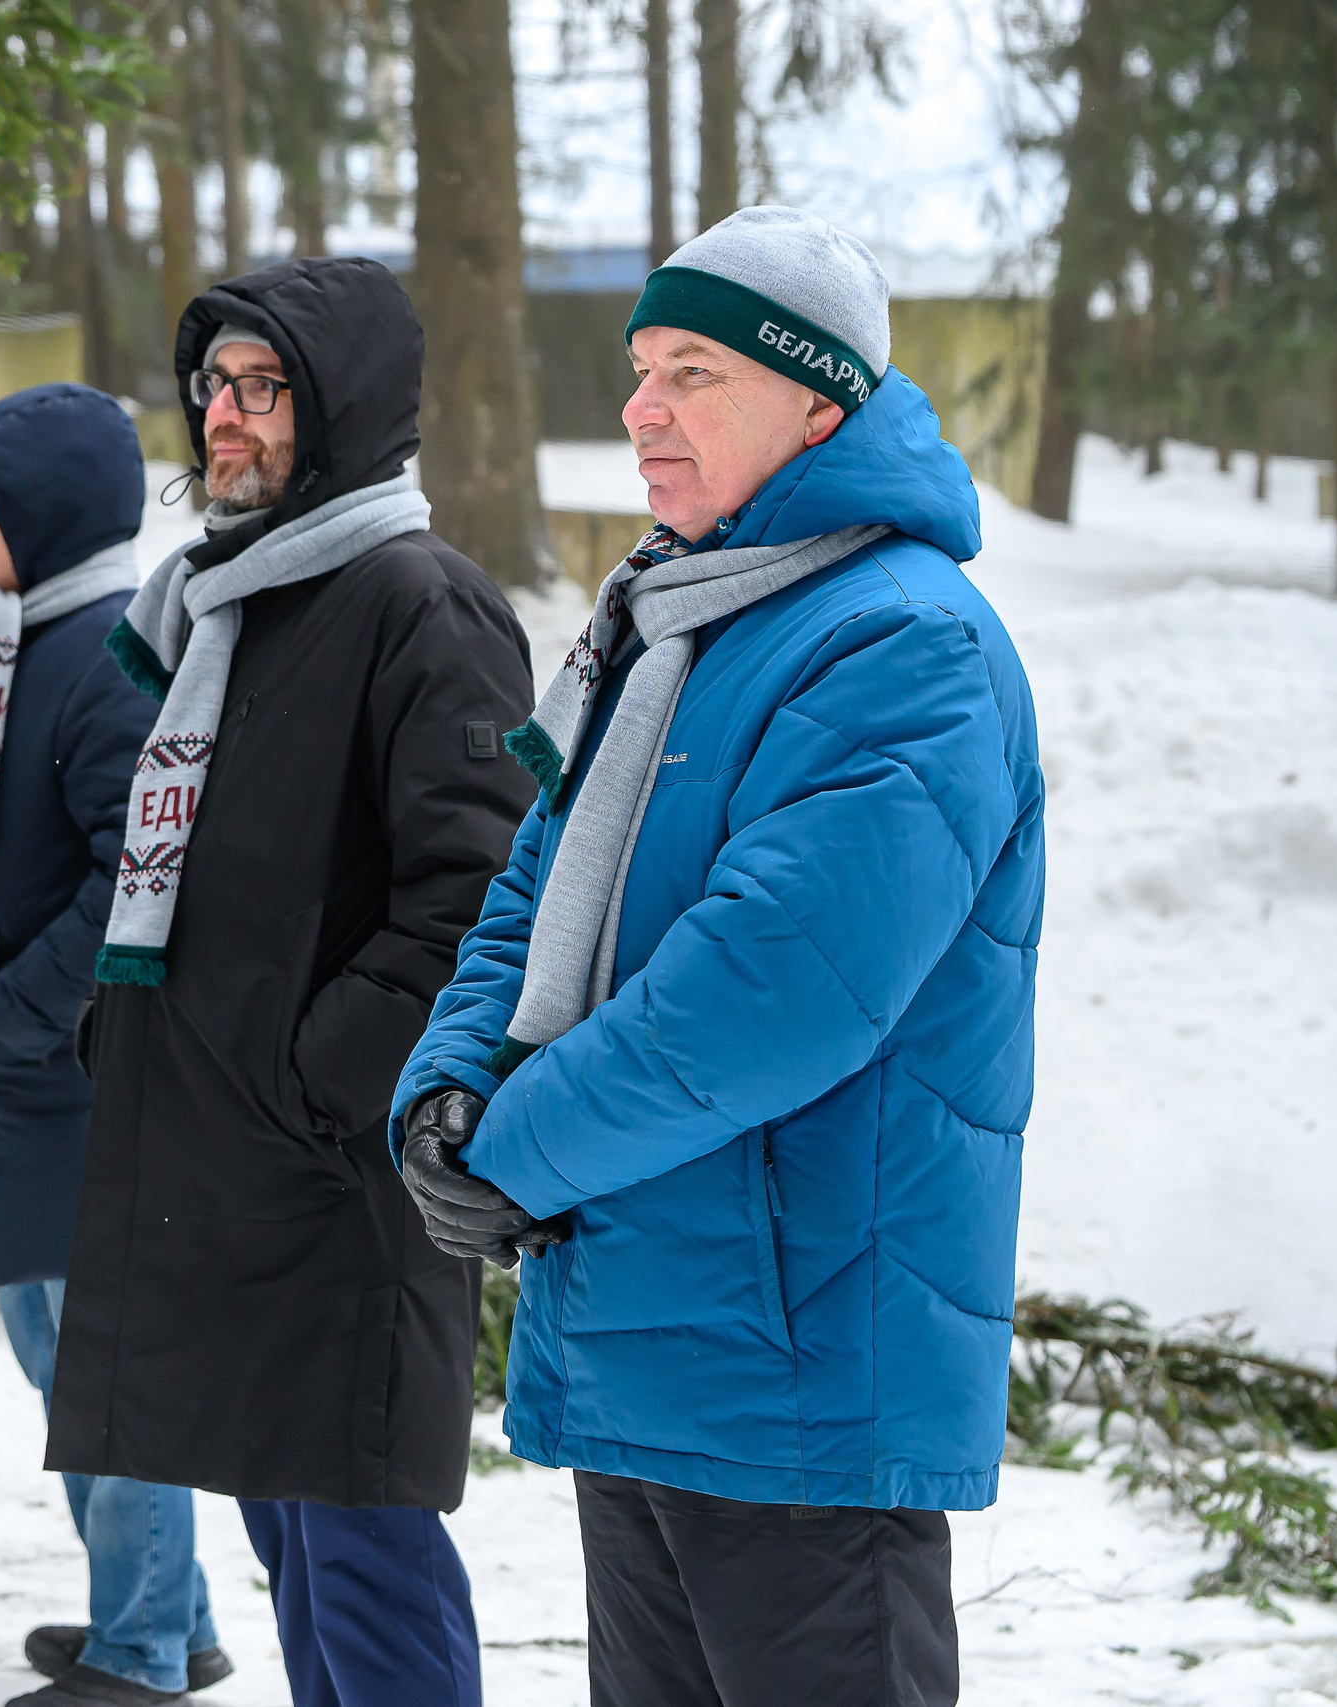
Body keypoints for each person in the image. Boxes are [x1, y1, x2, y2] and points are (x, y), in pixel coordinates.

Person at [392, 206, 1045, 1707]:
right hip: (641, 1329)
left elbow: (767, 992)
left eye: (694, 371)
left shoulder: (902, 646)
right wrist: (449, 1095)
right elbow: (532, 892)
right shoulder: (673, 620)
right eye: (639, 370)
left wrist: (517, 1148)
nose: (639, 411)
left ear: (821, 400)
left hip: (799, 1368)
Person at [45, 258, 537, 1707]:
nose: (226, 422)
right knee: (305, 1573)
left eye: (266, 390)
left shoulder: (418, 603)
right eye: (215, 388)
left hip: (336, 1197)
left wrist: (313, 1080)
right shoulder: (233, 605)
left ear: (345, 411)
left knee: (370, 1578)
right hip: (241, 1187)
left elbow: (474, 898)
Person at [0, 383, 234, 1707]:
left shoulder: (101, 657)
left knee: (106, 1379)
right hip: (12, 1083)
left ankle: (138, 1654)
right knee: (59, 1363)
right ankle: (166, 1621)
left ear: (48, 514)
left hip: (71, 1085)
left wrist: (22, 1008)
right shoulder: (6, 645)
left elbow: (142, 869)